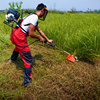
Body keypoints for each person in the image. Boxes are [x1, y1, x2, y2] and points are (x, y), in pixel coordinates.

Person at [9, 3, 53, 87]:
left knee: (18, 47)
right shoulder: (34, 17)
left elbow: (39, 30)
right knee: (28, 59)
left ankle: (12, 59)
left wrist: (48, 40)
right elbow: (31, 33)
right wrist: (39, 38)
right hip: (19, 37)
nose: (44, 15)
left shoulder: (31, 16)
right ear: (42, 10)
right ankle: (27, 81)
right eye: (45, 12)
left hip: (14, 34)